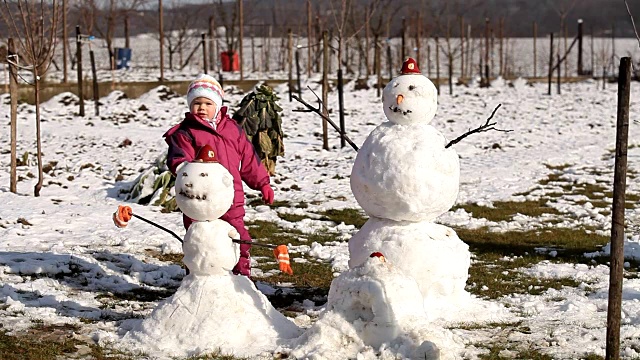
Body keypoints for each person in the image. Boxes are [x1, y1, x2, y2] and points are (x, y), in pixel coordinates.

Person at [163, 73, 274, 277]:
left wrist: (263, 184)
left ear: (218, 104)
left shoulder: (232, 129)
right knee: (199, 240)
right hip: (200, 202)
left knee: (238, 237)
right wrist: (184, 172)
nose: (202, 108)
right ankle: (197, 279)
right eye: (197, 103)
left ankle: (241, 277)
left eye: (208, 103)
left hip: (230, 198)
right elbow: (179, 159)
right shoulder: (186, 133)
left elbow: (249, 159)